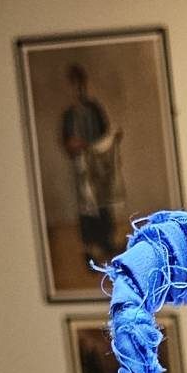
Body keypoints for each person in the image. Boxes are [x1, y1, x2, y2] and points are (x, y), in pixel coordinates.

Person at [59, 63, 124, 267]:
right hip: (82, 167)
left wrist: (113, 138)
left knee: (103, 202)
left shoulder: (95, 108)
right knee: (87, 207)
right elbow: (65, 142)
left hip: (99, 166)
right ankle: (90, 251)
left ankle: (107, 243)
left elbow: (106, 133)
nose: (78, 88)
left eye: (80, 84)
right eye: (74, 85)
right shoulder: (69, 114)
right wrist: (72, 145)